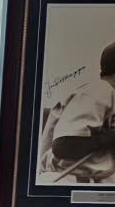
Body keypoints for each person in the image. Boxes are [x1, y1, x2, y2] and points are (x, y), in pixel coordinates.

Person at [38, 40, 115, 181]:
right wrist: (108, 137)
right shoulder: (99, 90)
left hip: (88, 183)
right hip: (63, 182)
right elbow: (63, 146)